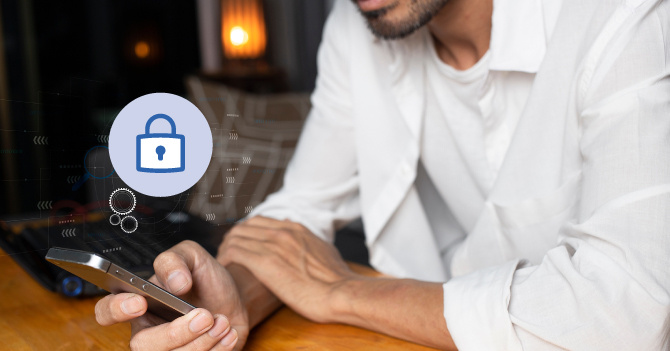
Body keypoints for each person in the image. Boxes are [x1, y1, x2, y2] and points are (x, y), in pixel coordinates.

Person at [94, 0, 670, 349]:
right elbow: (303, 212)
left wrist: (346, 293)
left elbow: (625, 316)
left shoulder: (625, 18)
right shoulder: (358, 26)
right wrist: (225, 303)